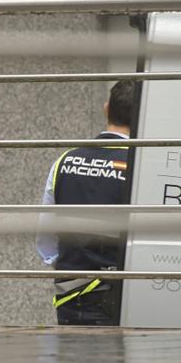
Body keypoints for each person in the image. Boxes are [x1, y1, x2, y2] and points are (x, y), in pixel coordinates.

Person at [37, 80, 134, 325]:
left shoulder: (65, 160)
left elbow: (45, 241)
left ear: (106, 108)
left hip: (70, 298)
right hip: (120, 299)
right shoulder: (139, 167)